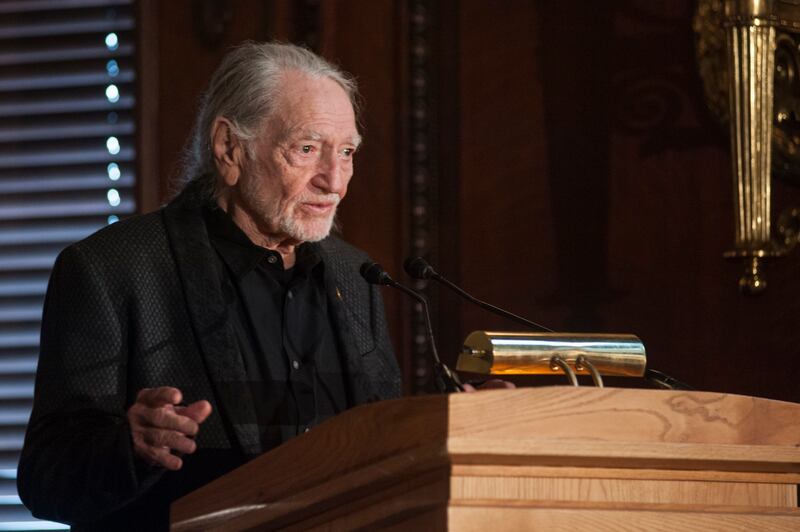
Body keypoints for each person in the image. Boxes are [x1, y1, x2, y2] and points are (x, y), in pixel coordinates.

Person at [17, 41, 401, 531]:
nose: (334, 181)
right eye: (306, 149)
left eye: (346, 153)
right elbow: (46, 479)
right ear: (229, 148)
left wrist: (463, 420)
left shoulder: (357, 275)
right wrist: (130, 447)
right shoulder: (111, 269)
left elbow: (383, 445)